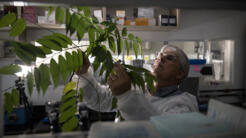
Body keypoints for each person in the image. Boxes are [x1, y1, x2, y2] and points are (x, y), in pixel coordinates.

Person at [73, 44, 198, 120]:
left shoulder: (183, 104)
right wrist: (84, 73)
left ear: (180, 73)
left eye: (170, 58)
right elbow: (98, 99)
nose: (161, 59)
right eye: (159, 56)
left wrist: (125, 95)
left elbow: (161, 131)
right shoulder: (137, 89)